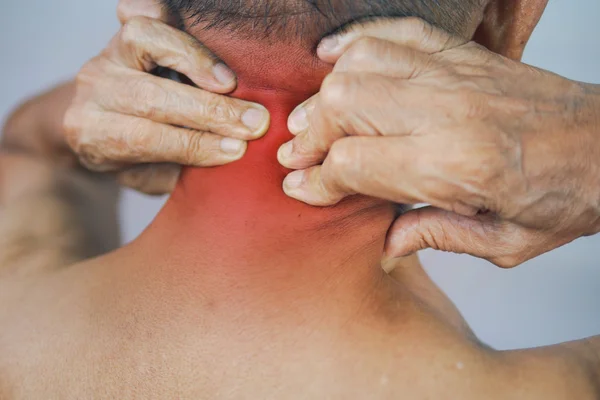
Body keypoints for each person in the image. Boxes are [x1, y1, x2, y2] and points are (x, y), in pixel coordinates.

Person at [1, 1, 599, 399]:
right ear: (506, 20)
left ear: (147, 10)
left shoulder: (14, 317)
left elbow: (27, 148)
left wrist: (94, 105)